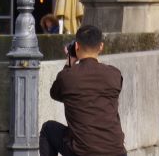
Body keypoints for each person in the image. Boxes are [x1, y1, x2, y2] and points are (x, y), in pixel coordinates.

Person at [41, 24, 126, 156]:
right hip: (117, 152)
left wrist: (69, 62)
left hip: (83, 152)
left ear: (76, 46)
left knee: (48, 129)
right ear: (101, 47)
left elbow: (55, 93)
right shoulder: (114, 74)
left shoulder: (67, 76)